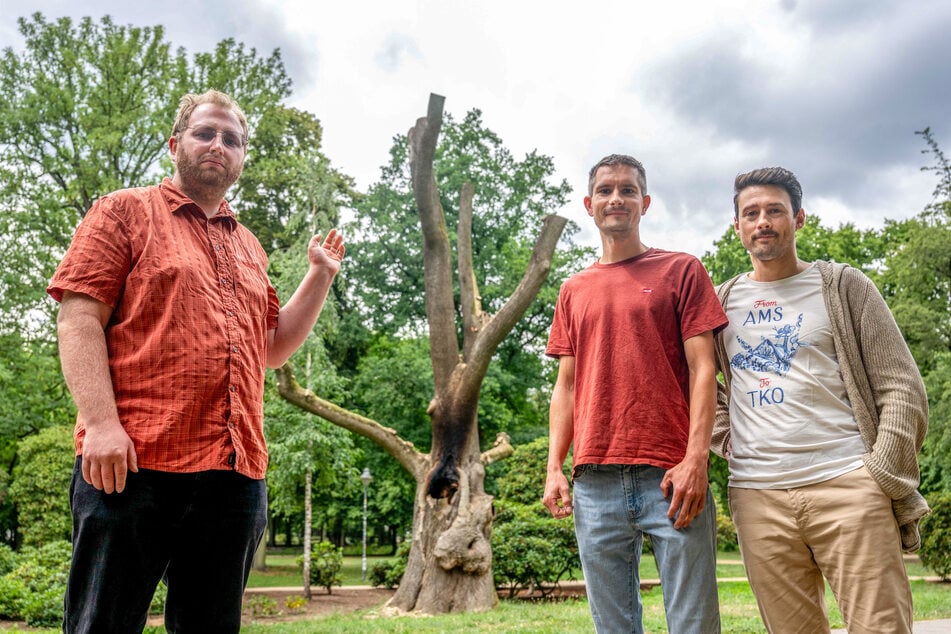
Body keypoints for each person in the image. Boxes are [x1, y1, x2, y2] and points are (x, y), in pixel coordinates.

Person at [48, 89, 345, 633]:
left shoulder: (248, 246)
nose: (218, 145)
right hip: (132, 464)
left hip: (233, 475)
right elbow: (78, 319)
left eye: (232, 139)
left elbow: (272, 348)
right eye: (205, 133)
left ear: (242, 157)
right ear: (175, 144)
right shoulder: (124, 212)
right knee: (101, 624)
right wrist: (101, 424)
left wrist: (320, 274)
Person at [712, 166, 930, 633]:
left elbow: (902, 384)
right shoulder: (720, 302)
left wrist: (879, 471)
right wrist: (726, 438)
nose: (763, 221)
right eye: (751, 213)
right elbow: (694, 386)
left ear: (800, 218)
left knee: (882, 627)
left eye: (775, 210)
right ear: (738, 227)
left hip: (848, 484)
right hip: (757, 495)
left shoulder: (843, 287)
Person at [542, 154, 727, 633]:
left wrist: (696, 459)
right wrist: (554, 468)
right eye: (605, 190)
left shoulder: (681, 271)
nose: (616, 198)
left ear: (644, 203)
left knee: (693, 624)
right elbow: (565, 387)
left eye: (627, 190)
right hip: (594, 481)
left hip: (671, 476)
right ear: (589, 204)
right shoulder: (573, 289)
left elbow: (704, 369)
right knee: (614, 627)